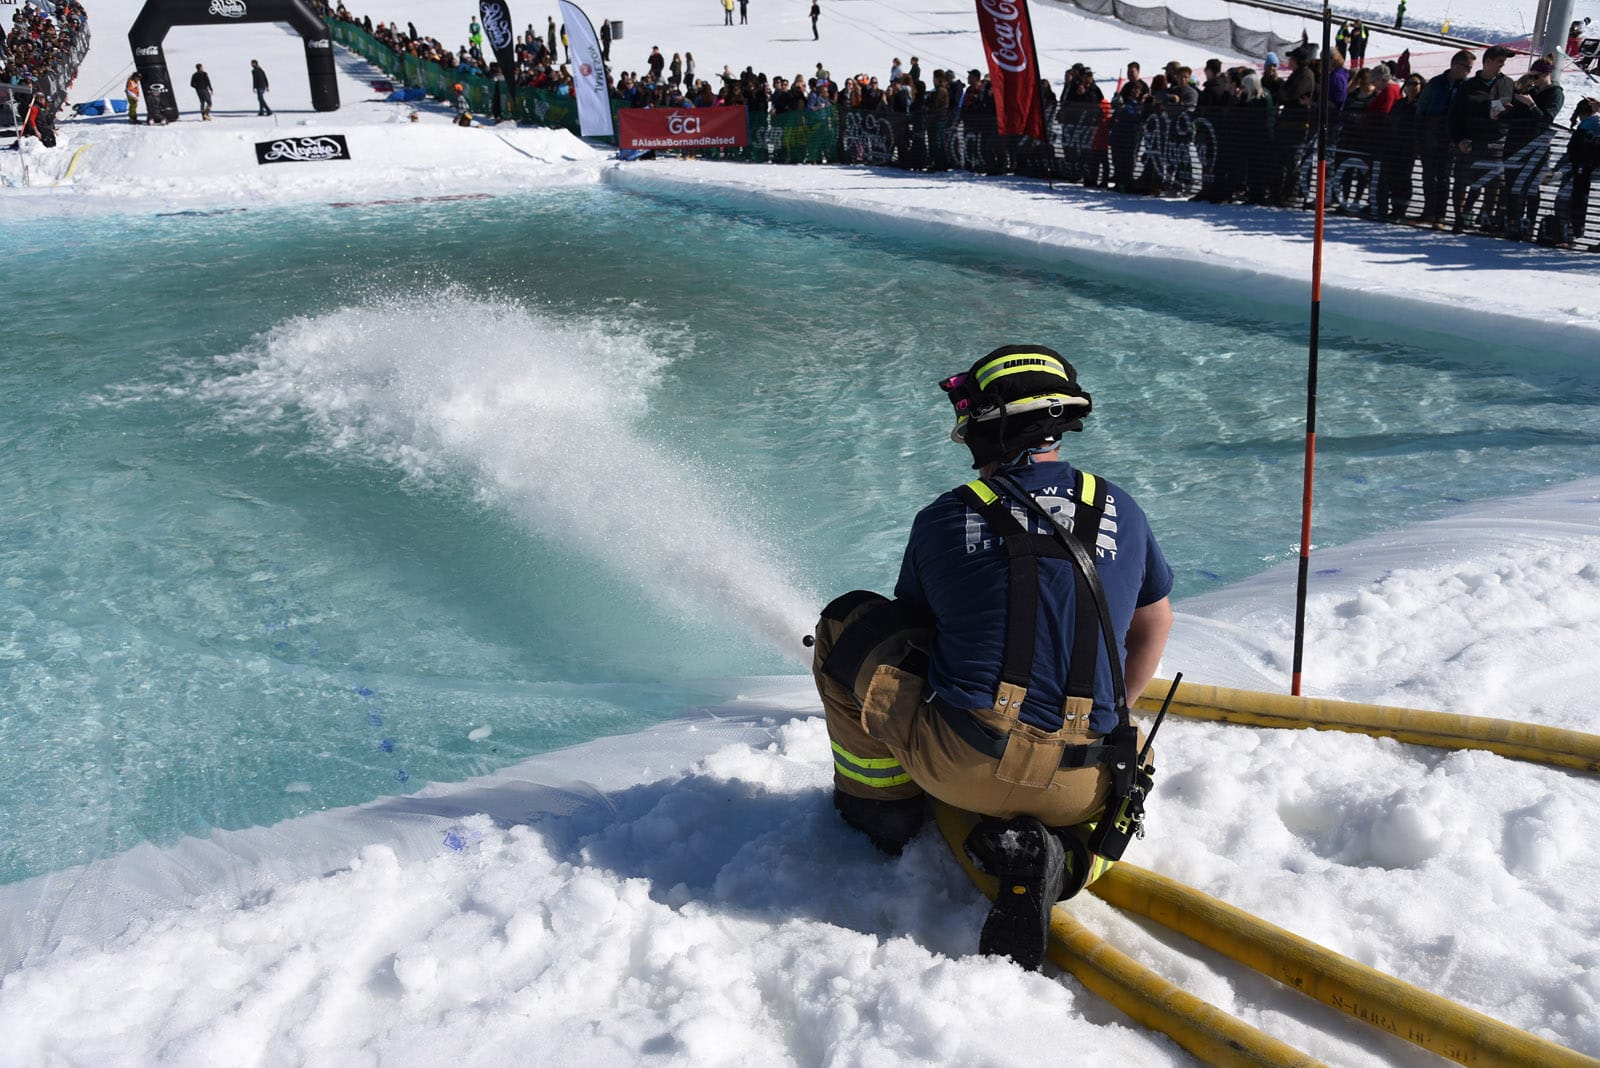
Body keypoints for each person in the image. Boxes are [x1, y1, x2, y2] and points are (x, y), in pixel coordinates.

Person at [810, 345, 1174, 971]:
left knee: (846, 624)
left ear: (991, 425)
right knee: (1124, 744)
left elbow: (916, 635)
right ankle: (1072, 862)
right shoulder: (1123, 509)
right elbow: (1153, 622)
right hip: (1085, 787)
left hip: (961, 764)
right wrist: (1107, 717)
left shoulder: (946, 516)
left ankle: (882, 808)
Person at [1448, 44, 1516, 232]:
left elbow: (1513, 111)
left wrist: (1502, 114)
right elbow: (1455, 116)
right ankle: (1459, 218)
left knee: (1493, 182)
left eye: (1504, 62)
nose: (1502, 65)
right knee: (1462, 180)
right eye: (1499, 61)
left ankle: (1486, 217)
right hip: (1470, 140)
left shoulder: (1508, 84)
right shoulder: (1467, 86)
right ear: (1487, 62)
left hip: (1496, 141)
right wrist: (1458, 139)